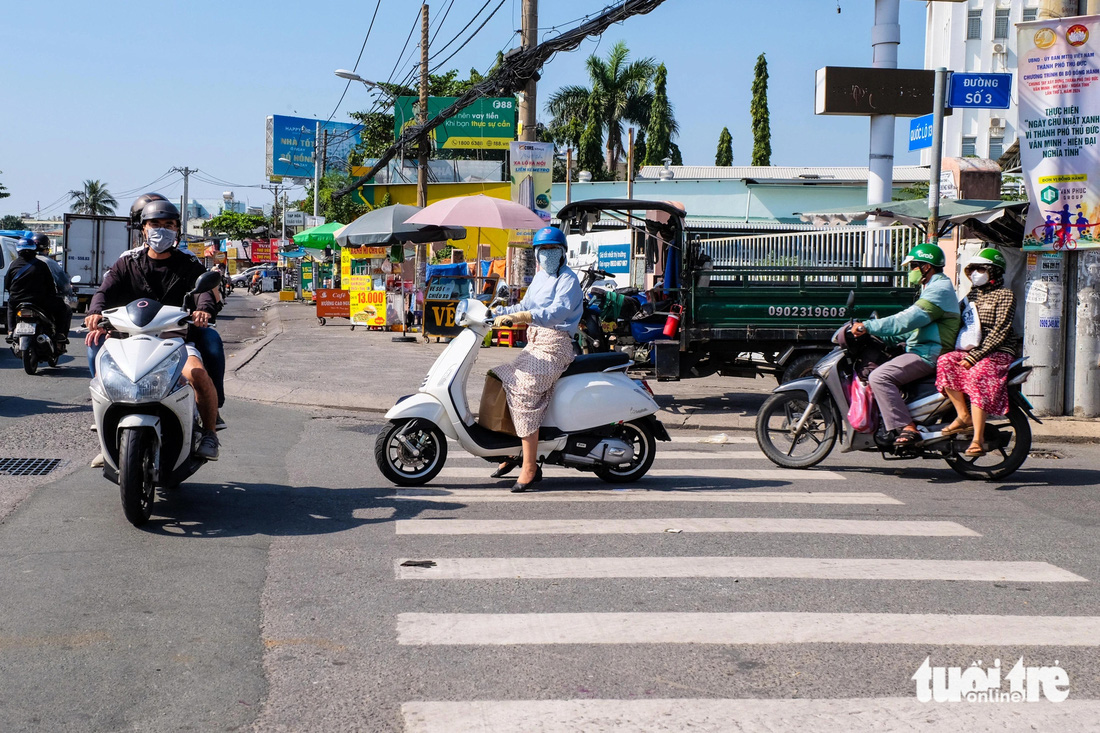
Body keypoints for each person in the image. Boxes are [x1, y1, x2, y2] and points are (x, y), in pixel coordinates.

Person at [84, 200, 220, 461]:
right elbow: (104, 291)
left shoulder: (189, 264)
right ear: (143, 230)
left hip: (174, 341)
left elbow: (204, 294)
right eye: (155, 224)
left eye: (168, 225)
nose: (162, 230)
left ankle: (211, 433)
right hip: (128, 340)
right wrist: (95, 313)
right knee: (100, 368)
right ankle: (105, 436)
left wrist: (203, 310)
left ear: (178, 229)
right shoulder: (127, 263)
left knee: (198, 374)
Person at [489, 226, 583, 492]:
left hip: (555, 345)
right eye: (543, 250)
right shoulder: (540, 278)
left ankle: (530, 466)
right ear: (537, 254)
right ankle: (511, 450)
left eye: (553, 250)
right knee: (499, 378)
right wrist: (498, 311)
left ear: (563, 253)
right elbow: (524, 306)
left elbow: (558, 312)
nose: (548, 255)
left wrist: (525, 318)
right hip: (535, 342)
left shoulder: (568, 279)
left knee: (524, 389)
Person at [851, 242, 961, 448]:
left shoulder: (939, 290)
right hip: (922, 347)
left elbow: (906, 320)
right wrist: (884, 337)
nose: (910, 271)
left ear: (926, 267)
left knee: (879, 377)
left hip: (929, 353)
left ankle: (907, 426)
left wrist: (868, 326)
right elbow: (913, 328)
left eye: (913, 266)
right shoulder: (932, 288)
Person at [936, 248, 1021, 457]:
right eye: (972, 269)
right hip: (971, 351)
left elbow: (999, 332)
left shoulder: (1005, 296)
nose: (975, 273)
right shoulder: (970, 296)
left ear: (994, 271)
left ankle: (977, 439)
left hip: (998, 351)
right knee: (945, 361)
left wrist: (974, 358)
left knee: (977, 376)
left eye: (980, 268)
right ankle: (963, 415)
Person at [4, 237, 70, 343]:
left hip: (17, 301)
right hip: (40, 302)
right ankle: (60, 334)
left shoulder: (13, 264)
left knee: (10, 307)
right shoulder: (42, 265)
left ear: (18, 251)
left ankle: (11, 332)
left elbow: (7, 284)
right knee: (64, 308)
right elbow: (51, 286)